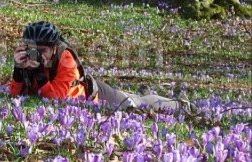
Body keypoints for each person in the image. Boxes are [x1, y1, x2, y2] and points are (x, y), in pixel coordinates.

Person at [10, 21, 190, 113]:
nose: (37, 54)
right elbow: (15, 94)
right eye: (33, 49)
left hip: (94, 95)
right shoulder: (28, 59)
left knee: (137, 104)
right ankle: (144, 92)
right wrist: (18, 71)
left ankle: (180, 104)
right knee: (135, 99)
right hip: (87, 93)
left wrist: (39, 73)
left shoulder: (66, 59)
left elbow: (57, 99)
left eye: (43, 50)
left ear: (54, 48)